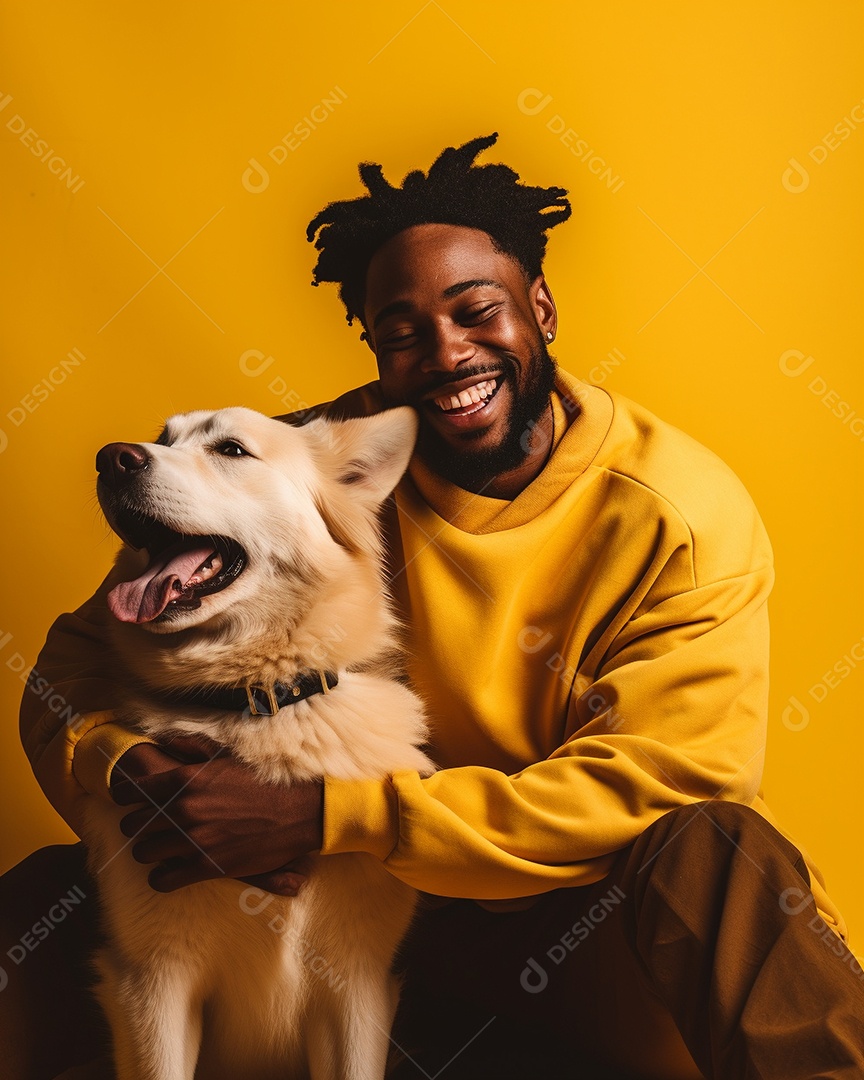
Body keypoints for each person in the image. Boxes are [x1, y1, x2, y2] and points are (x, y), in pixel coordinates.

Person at [9, 133, 864, 1079]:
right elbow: (76, 665)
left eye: (476, 310)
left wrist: (332, 815)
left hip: (591, 937)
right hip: (385, 937)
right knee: (47, 897)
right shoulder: (319, 470)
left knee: (720, 848)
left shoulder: (679, 515)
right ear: (375, 348)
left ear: (539, 306)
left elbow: (664, 784)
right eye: (403, 330)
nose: (448, 351)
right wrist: (124, 766)